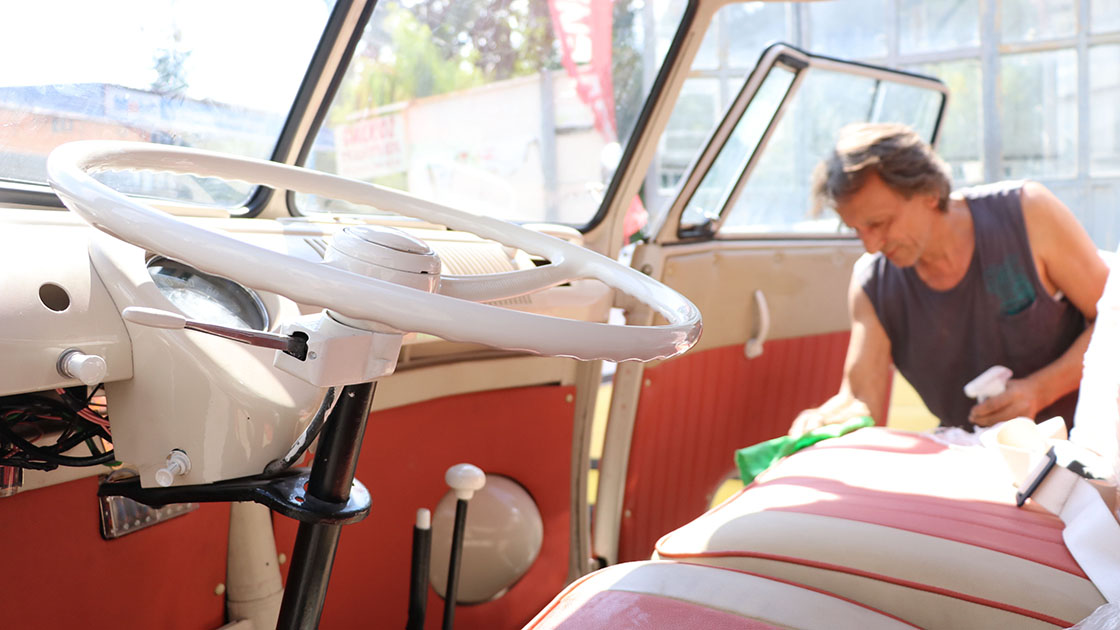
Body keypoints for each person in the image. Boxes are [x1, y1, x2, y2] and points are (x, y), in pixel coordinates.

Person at [789, 122, 1109, 436]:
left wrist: (1040, 390)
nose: (871, 245)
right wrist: (821, 420)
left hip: (1087, 443)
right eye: (857, 230)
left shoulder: (1028, 213)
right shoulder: (872, 284)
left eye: (879, 223)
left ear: (929, 192)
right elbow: (860, 400)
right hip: (969, 456)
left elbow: (1114, 323)